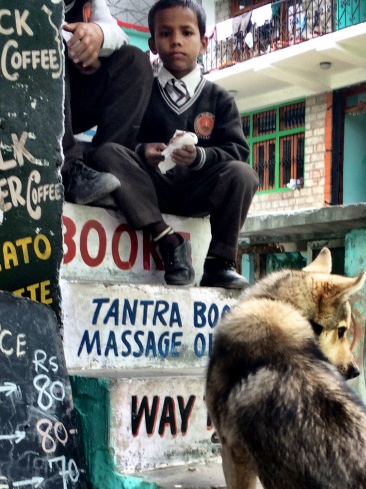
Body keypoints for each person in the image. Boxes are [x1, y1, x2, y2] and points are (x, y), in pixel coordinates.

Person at [89, 0, 258, 289]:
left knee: (243, 174)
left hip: (198, 190)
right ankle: (168, 241)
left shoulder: (219, 99)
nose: (176, 40)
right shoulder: (143, 89)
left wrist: (200, 156)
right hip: (149, 188)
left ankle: (219, 263)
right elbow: (121, 138)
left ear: (203, 43)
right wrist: (142, 151)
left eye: (187, 33)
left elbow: (237, 151)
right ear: (153, 44)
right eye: (166, 33)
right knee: (106, 152)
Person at [61, 0, 153, 205]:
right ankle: (67, 170)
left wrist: (97, 36)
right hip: (27, 94)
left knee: (134, 62)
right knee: (50, 45)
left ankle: (107, 167)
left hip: (72, 101)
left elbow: (119, 35)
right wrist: (76, 47)